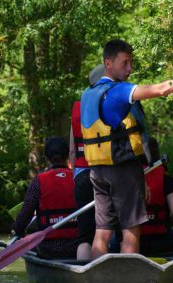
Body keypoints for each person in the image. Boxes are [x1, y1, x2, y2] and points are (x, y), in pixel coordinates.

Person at [80, 39, 173, 259]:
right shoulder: (118, 91)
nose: (130, 69)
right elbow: (161, 90)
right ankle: (127, 280)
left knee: (103, 230)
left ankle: (97, 280)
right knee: (131, 229)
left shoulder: (88, 94)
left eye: (132, 63)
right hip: (122, 170)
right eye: (125, 63)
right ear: (108, 63)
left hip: (97, 170)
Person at [13, 136, 81, 258]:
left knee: (30, 244)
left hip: (48, 248)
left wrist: (17, 232)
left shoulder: (38, 181)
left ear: (46, 158)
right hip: (79, 247)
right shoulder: (80, 178)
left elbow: (25, 214)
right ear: (68, 156)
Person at [69, 64, 105, 259]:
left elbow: (73, 151)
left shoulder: (78, 106)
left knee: (85, 233)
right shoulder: (111, 102)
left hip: (82, 175)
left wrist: (76, 176)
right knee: (107, 230)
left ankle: (83, 271)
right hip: (106, 174)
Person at [140, 137, 173, 255]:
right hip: (160, 240)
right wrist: (172, 221)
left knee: (114, 240)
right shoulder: (166, 179)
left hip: (134, 240)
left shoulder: (128, 178)